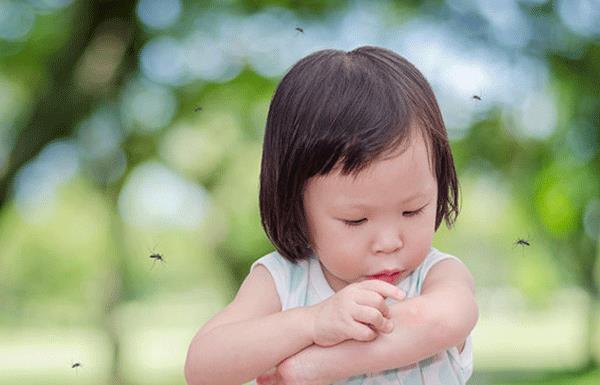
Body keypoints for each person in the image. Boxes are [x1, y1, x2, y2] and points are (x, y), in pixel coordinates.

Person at [184, 46, 478, 385]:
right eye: (356, 220)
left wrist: (322, 364)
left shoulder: (433, 276)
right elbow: (202, 367)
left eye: (412, 210)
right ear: (295, 204)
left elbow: (448, 319)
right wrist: (312, 322)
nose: (388, 242)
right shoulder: (282, 282)